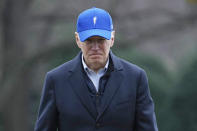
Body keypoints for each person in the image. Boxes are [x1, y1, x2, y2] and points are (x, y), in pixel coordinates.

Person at [34, 7, 158, 131]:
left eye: (101, 40)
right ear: (77, 40)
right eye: (88, 41)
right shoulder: (56, 80)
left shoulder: (135, 78)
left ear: (112, 38)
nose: (95, 47)